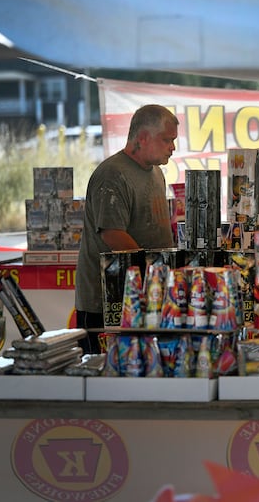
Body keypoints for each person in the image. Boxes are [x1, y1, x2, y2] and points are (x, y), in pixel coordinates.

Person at [75, 104, 178, 353]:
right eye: (167, 140)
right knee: (106, 381)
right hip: (106, 303)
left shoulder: (156, 173)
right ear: (143, 137)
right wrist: (157, 269)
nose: (173, 148)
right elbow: (113, 234)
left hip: (142, 294)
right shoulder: (112, 174)